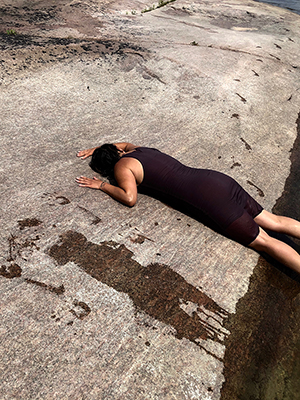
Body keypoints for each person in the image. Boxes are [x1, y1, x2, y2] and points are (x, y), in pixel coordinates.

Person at [76, 142, 300, 274]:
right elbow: (122, 144)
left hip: (209, 198)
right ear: (117, 152)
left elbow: (129, 197)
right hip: (219, 180)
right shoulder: (140, 150)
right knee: (274, 222)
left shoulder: (122, 167)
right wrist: (99, 148)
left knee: (265, 242)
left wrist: (102, 185)